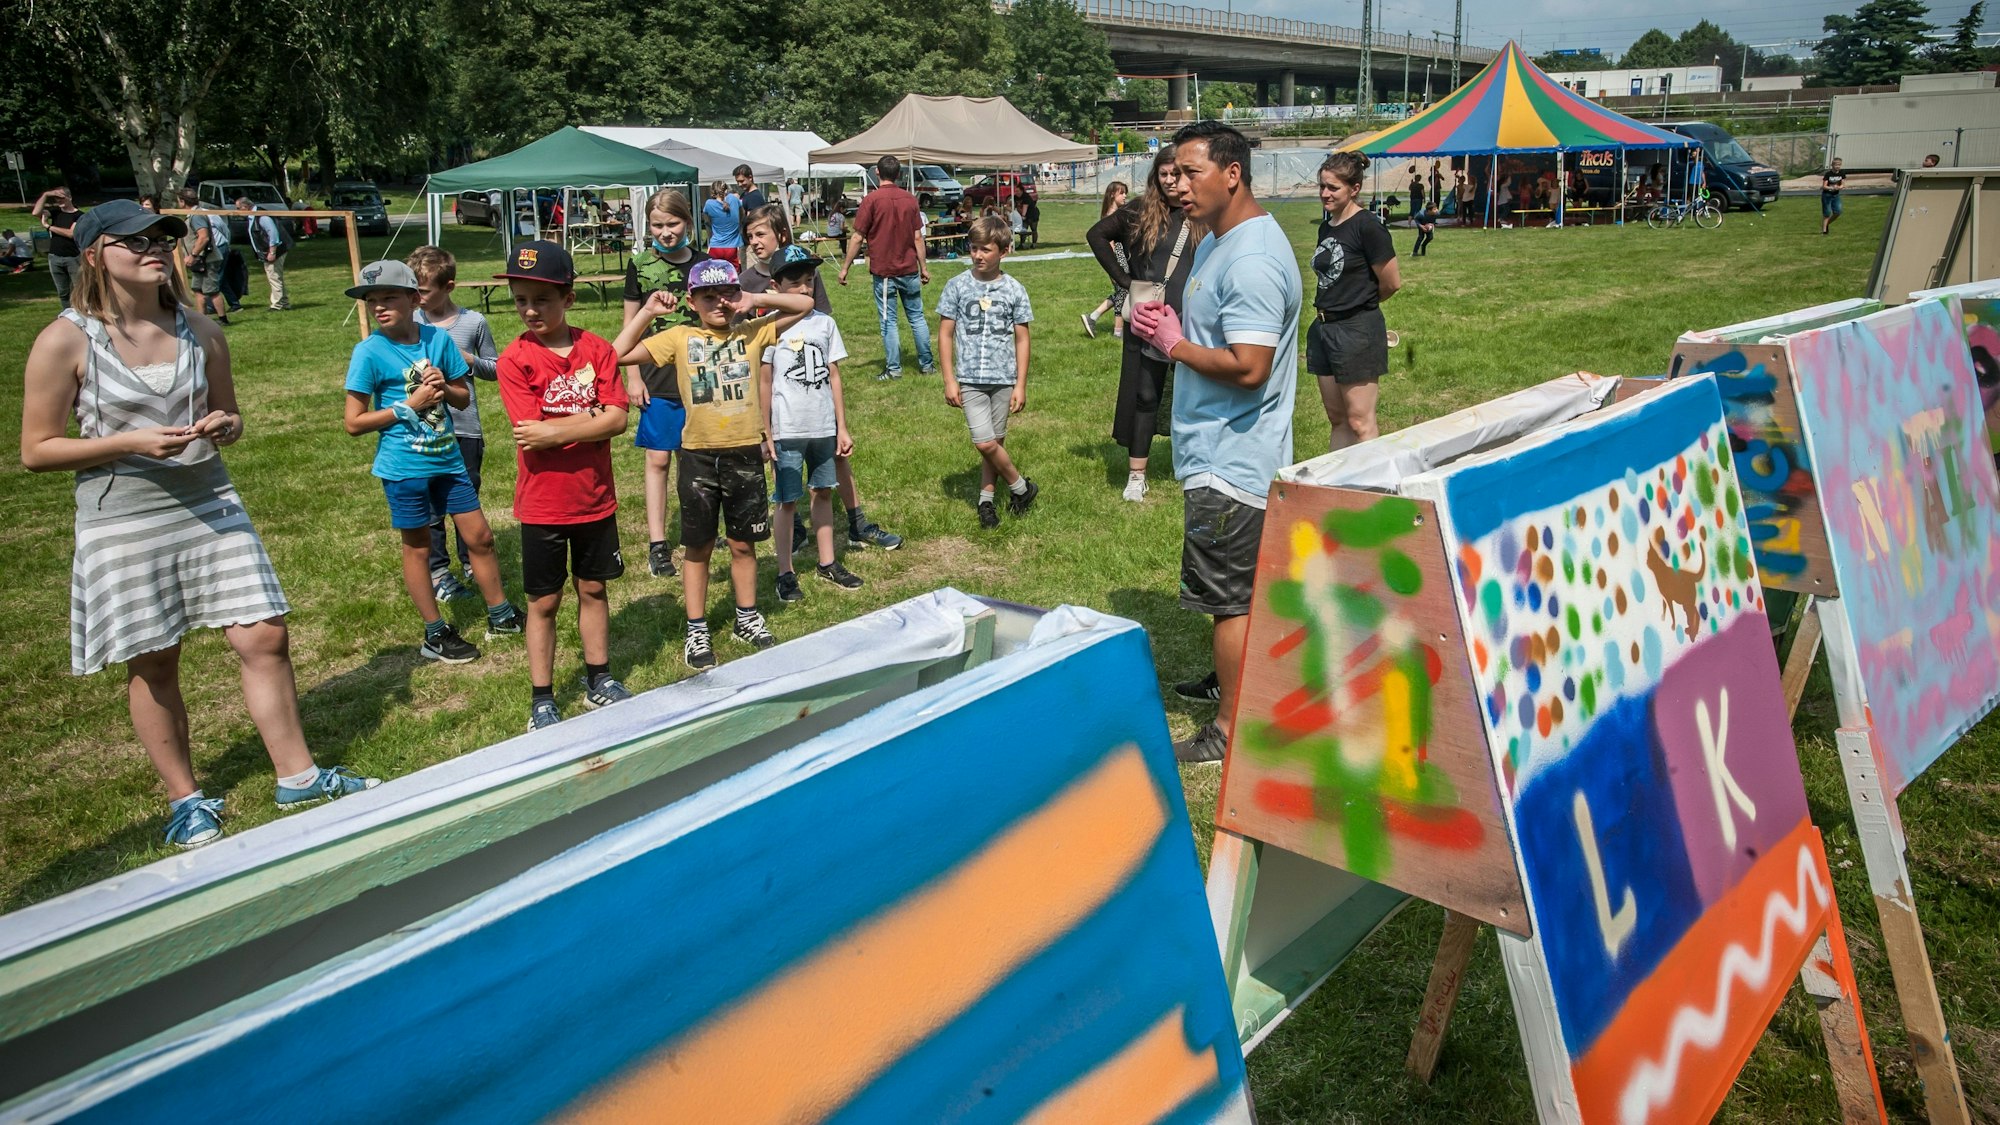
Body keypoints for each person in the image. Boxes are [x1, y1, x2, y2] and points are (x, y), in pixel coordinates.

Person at [20, 199, 378, 848]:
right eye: (136, 241)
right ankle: (186, 800)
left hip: (210, 501)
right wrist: (130, 443)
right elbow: (37, 449)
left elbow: (231, 416)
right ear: (95, 255)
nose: (156, 249)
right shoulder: (65, 339)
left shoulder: (201, 330)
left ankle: (298, 776)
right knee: (155, 658)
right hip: (123, 519)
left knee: (264, 635)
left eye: (162, 238)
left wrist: (224, 425)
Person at [1127, 121, 1302, 765]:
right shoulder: (1219, 241)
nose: (1177, 185)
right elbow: (1218, 332)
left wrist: (1174, 345)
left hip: (1232, 457)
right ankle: (1237, 683)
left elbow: (1250, 366)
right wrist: (1173, 325)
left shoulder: (1252, 258)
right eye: (1173, 173)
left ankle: (1230, 729)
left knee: (1229, 601)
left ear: (1232, 174)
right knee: (1235, 594)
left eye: (1191, 172)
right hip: (1220, 448)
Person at [611, 258, 814, 669]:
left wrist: (753, 298)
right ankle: (697, 627)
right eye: (708, 296)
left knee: (742, 544)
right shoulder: (679, 337)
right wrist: (648, 312)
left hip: (745, 453)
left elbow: (804, 305)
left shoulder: (753, 331)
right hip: (698, 456)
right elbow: (616, 354)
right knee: (698, 547)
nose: (720, 302)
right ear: (691, 301)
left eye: (727, 293)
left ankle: (746, 616)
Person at [343, 258, 521, 666]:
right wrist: (409, 405)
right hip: (404, 467)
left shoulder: (437, 340)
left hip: (448, 458)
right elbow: (353, 423)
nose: (379, 307)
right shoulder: (368, 352)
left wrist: (445, 386)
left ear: (413, 299)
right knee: (419, 547)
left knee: (480, 537)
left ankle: (501, 615)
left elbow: (462, 396)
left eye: (389, 297)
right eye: (372, 300)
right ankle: (435, 633)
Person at [492, 242, 635, 730]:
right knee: (544, 601)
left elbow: (618, 419)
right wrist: (592, 418)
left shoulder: (597, 350)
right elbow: (529, 433)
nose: (530, 310)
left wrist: (560, 429)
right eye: (521, 300)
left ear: (569, 299)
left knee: (593, 588)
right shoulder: (514, 360)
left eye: (542, 300)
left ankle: (599, 679)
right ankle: (542, 698)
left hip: (594, 499)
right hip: (543, 505)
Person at [739, 203, 903, 551]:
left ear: (781, 234)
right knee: (781, 459)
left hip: (816, 393)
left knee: (836, 456)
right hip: (776, 392)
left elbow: (821, 330)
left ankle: (857, 521)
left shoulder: (806, 271)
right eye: (749, 236)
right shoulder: (746, 282)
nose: (754, 242)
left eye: (761, 234)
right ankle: (795, 527)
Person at [1087, 145, 1201, 502]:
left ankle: (1197, 468)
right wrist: (1124, 280)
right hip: (1148, 317)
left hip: (1194, 318)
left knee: (1197, 396)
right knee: (1145, 394)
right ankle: (1136, 476)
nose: (1169, 180)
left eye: (1176, 174)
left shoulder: (1201, 210)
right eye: (1163, 174)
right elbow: (1096, 235)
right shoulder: (1139, 210)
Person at [759, 246, 864, 601]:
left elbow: (834, 376)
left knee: (823, 491)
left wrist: (841, 427)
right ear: (775, 287)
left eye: (809, 280)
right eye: (795, 283)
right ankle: (785, 572)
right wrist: (766, 432)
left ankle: (827, 561)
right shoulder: (769, 327)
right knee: (787, 500)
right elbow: (764, 381)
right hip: (787, 430)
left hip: (822, 428)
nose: (804, 289)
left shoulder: (825, 323)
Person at [408, 246, 506, 605]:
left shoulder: (473, 322)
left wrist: (468, 359)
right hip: (425, 430)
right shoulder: (410, 323)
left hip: (465, 428)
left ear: (448, 287)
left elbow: (496, 369)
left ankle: (471, 561)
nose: (417, 298)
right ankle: (438, 570)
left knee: (465, 499)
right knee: (430, 505)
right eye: (413, 290)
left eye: (423, 291)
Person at [622, 188, 708, 580]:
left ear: (687, 222)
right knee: (658, 459)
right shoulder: (639, 265)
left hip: (699, 375)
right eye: (657, 225)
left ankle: (699, 528)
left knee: (697, 458)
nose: (665, 232)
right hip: (655, 376)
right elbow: (630, 323)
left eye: (672, 223)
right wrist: (632, 376)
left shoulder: (704, 264)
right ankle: (658, 544)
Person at [938, 215, 1038, 531]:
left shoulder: (1015, 290)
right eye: (974, 248)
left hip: (1004, 378)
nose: (978, 255)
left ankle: (986, 502)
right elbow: (945, 334)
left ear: (1004, 251)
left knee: (994, 444)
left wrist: (1020, 384)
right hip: (970, 378)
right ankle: (1021, 487)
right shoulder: (957, 286)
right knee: (984, 442)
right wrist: (949, 379)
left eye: (986, 249)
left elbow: (1022, 339)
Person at [1308, 152, 1401, 451]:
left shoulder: (1368, 226)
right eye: (1322, 186)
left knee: (1360, 423)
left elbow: (1391, 282)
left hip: (1356, 330)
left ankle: (1373, 479)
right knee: (1338, 419)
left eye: (1333, 188)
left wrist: (1358, 304)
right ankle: (1341, 478)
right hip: (1324, 329)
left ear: (1354, 189)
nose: (1325, 193)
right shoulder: (1327, 226)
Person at [839, 155, 933, 380]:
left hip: (885, 272)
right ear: (899, 174)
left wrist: (845, 268)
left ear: (877, 172)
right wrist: (924, 267)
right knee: (917, 318)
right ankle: (927, 365)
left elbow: (857, 237)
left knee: (888, 321)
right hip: (909, 269)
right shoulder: (910, 199)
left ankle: (894, 369)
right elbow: (918, 237)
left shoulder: (871, 200)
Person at [1080, 182, 1132, 339]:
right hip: (1118, 257)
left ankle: (1095, 318)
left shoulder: (1115, 213)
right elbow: (1110, 245)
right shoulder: (1112, 216)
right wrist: (1114, 267)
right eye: (1121, 193)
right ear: (1112, 195)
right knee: (1123, 291)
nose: (1125, 196)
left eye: (1125, 193)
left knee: (1122, 292)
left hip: (1120, 257)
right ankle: (1115, 330)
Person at [173, 189, 231, 325]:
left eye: (178, 200)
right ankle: (202, 320)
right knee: (198, 290)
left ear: (182, 201)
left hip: (206, 260)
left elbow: (204, 237)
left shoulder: (197, 215)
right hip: (200, 261)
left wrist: (193, 255)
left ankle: (223, 319)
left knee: (212, 291)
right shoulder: (193, 214)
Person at [32, 186, 83, 308]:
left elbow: (71, 234)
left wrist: (49, 227)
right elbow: (35, 213)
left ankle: (83, 313)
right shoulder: (55, 213)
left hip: (73, 257)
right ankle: (67, 313)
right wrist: (45, 194)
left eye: (61, 197)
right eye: (56, 198)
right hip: (54, 257)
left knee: (79, 290)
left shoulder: (80, 215)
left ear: (69, 197)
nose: (59, 201)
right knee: (63, 292)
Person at [237, 198, 291, 311]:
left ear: (245, 207)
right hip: (268, 251)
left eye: (238, 208)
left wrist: (272, 252)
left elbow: (273, 234)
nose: (237, 211)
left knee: (274, 276)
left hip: (275, 250)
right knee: (276, 276)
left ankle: (277, 305)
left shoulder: (262, 217)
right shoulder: (253, 216)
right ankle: (284, 302)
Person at [702, 181, 743, 266]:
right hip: (732, 247)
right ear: (726, 190)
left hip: (716, 246)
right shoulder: (734, 199)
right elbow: (741, 215)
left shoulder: (709, 204)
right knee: (733, 273)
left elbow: (707, 221)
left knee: (715, 272)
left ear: (713, 191)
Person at [1821, 157, 1846, 236]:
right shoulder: (1828, 174)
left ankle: (1826, 224)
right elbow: (1824, 186)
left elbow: (1843, 184)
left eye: (1839, 165)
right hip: (1827, 195)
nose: (1837, 166)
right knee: (1827, 213)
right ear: (1832, 165)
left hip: (1836, 195)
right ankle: (1824, 231)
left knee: (1838, 212)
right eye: (1836, 165)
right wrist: (1831, 188)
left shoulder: (1842, 173)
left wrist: (1839, 187)